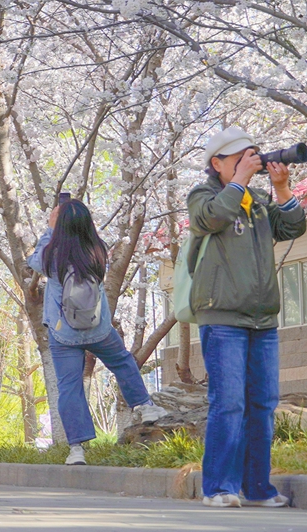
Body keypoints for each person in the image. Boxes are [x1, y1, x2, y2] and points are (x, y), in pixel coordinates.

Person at [188, 127, 306, 508]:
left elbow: (292, 227)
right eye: (239, 157)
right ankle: (218, 487)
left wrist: (283, 188)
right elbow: (211, 217)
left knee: (262, 403)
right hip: (222, 317)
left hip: (262, 319)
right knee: (229, 403)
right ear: (216, 163)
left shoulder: (256, 201)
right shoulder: (203, 195)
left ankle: (258, 488)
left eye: (251, 155)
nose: (248, 162)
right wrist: (238, 181)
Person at [29, 201, 167, 467]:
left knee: (69, 387)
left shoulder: (52, 256)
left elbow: (33, 261)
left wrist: (49, 230)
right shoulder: (97, 251)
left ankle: (76, 449)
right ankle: (144, 405)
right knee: (122, 361)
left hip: (63, 331)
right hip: (97, 327)